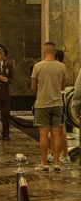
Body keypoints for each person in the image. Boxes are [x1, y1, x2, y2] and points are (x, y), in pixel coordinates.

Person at [31, 42, 67, 172]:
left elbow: (33, 87)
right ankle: (57, 163)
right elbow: (63, 87)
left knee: (43, 135)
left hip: (42, 104)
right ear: (55, 51)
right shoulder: (62, 66)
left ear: (44, 51)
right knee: (56, 134)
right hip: (57, 103)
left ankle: (44, 164)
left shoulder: (38, 66)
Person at [47, 50, 71, 166]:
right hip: (51, 100)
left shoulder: (60, 67)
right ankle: (53, 153)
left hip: (59, 98)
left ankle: (65, 154)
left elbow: (61, 85)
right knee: (52, 130)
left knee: (60, 130)